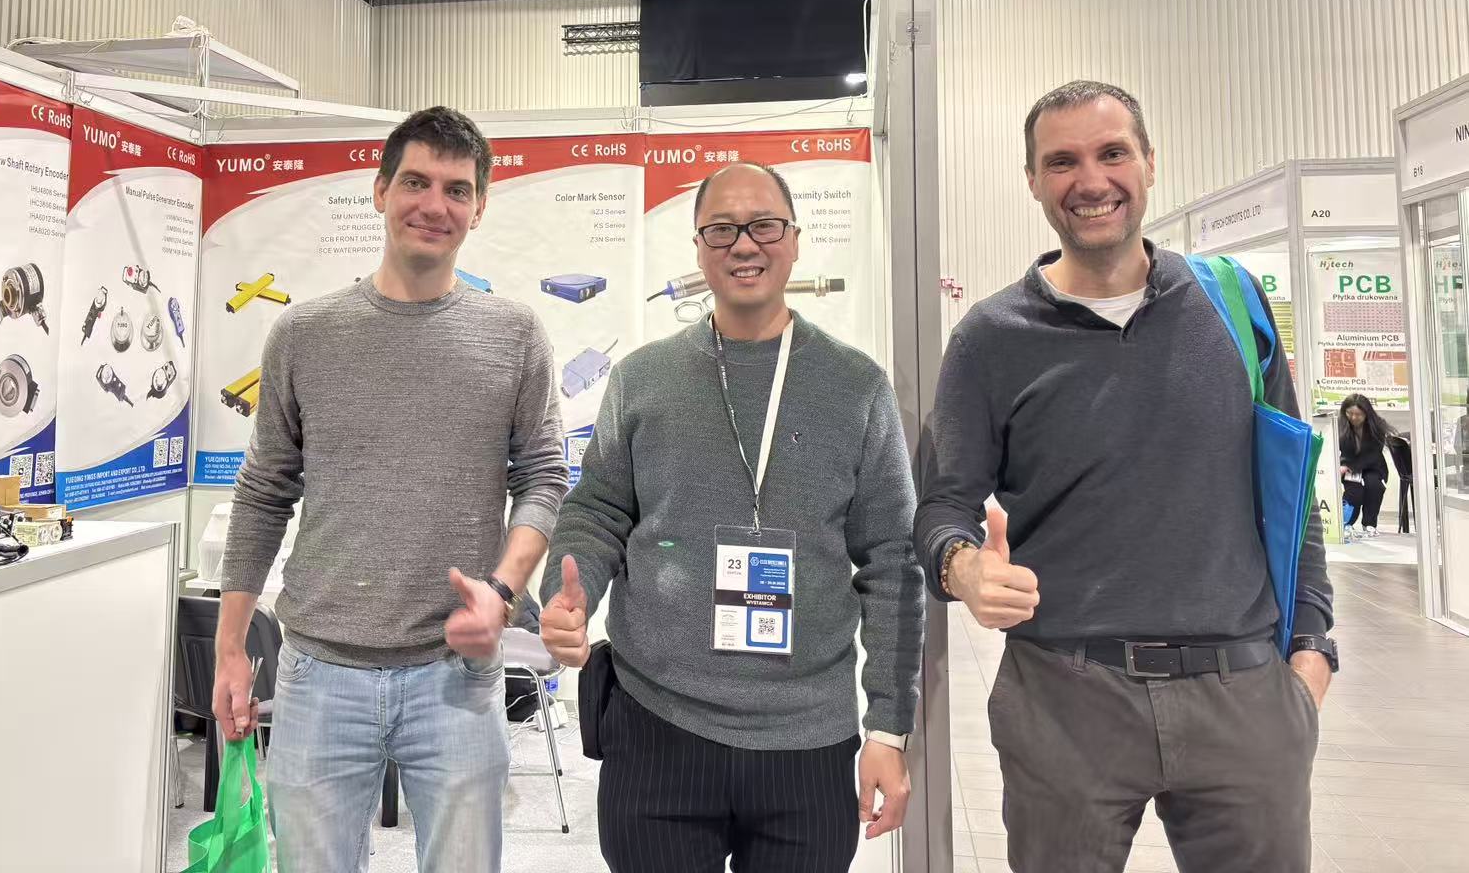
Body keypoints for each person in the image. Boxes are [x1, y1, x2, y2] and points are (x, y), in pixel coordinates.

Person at [915, 80, 1335, 873]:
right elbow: (942, 504)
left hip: (1241, 691)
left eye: (1111, 153)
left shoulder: (1232, 305)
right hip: (1065, 695)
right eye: (1061, 162)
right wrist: (960, 567)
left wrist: (1312, 647)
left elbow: (1288, 488)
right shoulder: (989, 339)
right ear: (1033, 180)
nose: (1090, 180)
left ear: (1148, 163)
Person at [537, 161, 926, 873]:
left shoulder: (855, 387)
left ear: (795, 239)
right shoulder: (642, 379)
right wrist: (571, 593)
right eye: (721, 230)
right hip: (657, 725)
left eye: (764, 226)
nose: (744, 244)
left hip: (806, 738)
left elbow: (893, 564)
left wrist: (888, 728)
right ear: (698, 247)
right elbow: (597, 510)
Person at [210, 106, 569, 873]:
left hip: (456, 679)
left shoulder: (512, 334)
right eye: (415, 182)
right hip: (318, 675)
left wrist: (502, 592)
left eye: (456, 189)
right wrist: (230, 648)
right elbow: (264, 490)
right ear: (379, 191)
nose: (434, 205)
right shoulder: (304, 334)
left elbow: (543, 475)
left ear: (478, 207)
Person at [1338, 394, 1393, 538]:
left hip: (1372, 466)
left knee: (1374, 486)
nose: (1354, 417)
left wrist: (1350, 466)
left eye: (1358, 414)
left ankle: (1369, 524)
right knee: (1354, 492)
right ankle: (1347, 524)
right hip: (1349, 466)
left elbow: (1373, 454)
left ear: (1366, 413)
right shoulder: (1339, 426)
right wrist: (1342, 465)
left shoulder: (1377, 426)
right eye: (1350, 413)